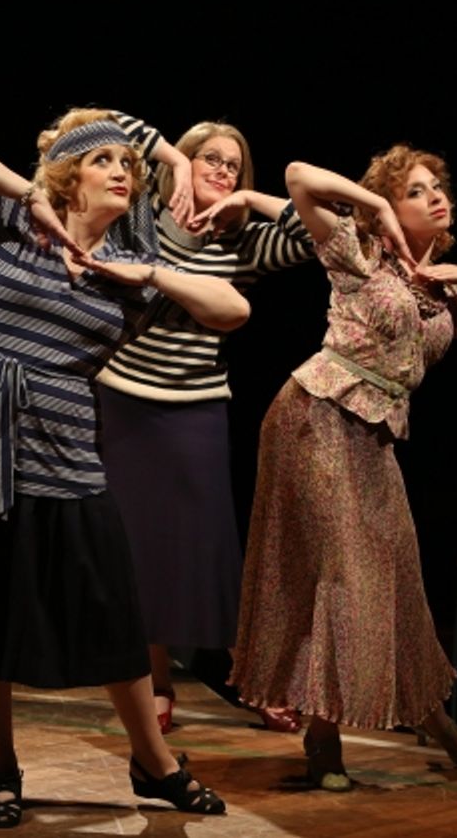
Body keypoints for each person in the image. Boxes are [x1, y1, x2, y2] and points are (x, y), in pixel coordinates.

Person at [0, 110, 247, 827]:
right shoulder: (4, 223)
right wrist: (30, 195)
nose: (122, 171)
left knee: (113, 611)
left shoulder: (126, 274)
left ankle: (153, 762)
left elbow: (231, 310)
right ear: (69, 174)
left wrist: (146, 271)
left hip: (64, 452)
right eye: (104, 160)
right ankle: (1, 768)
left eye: (128, 165)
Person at [228, 147, 457, 790]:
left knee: (395, 583)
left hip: (374, 440)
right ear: (391, 210)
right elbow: (296, 177)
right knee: (340, 578)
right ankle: (323, 742)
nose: (435, 197)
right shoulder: (360, 254)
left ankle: (433, 718)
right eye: (416, 191)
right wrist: (373, 204)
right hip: (314, 418)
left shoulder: (448, 296)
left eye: (439, 188)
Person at [97, 117, 313, 735]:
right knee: (136, 554)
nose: (221, 171)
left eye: (233, 166)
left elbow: (324, 236)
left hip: (196, 407)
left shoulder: (243, 240)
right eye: (209, 160)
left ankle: (246, 676)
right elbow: (94, 128)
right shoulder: (138, 216)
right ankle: (156, 684)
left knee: (207, 552)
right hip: (123, 404)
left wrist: (251, 200)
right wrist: (170, 156)